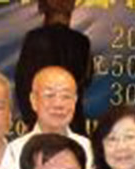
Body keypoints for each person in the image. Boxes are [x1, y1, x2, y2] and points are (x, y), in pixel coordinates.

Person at [15, 0, 92, 135]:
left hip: (40, 120)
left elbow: (22, 83)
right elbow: (87, 78)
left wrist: (31, 118)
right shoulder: (81, 42)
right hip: (73, 122)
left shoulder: (34, 38)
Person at [8, 66, 93, 169]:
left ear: (75, 101)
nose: (58, 104)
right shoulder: (13, 152)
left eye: (66, 96)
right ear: (33, 100)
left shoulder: (89, 149)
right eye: (50, 95)